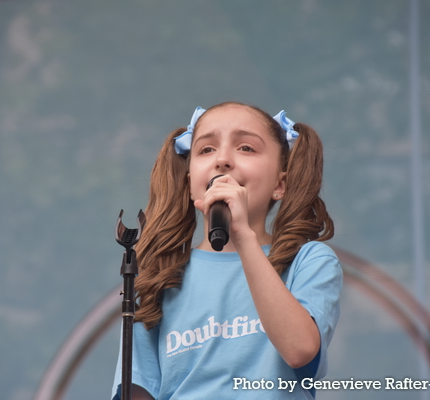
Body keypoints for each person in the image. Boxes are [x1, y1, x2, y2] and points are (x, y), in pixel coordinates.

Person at [111, 102, 342, 400]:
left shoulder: (309, 261)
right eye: (206, 150)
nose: (222, 160)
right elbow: (139, 391)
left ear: (280, 184)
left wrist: (243, 236)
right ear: (190, 182)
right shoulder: (160, 277)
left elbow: (299, 351)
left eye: (246, 148)